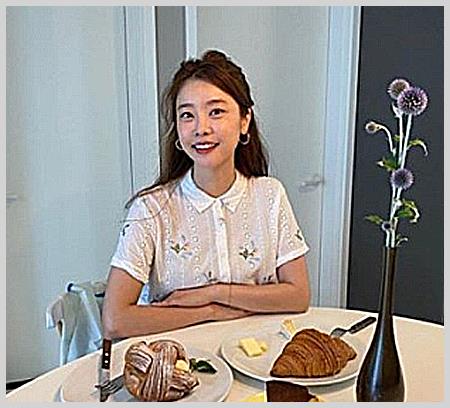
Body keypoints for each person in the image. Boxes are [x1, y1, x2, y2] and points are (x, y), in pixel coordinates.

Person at [102, 49, 310, 339]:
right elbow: (115, 320)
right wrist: (209, 312)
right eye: (187, 115)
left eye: (216, 112)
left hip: (258, 353)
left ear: (244, 120)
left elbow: (298, 296)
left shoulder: (270, 195)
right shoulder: (150, 209)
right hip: (179, 358)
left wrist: (215, 293)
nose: (201, 128)